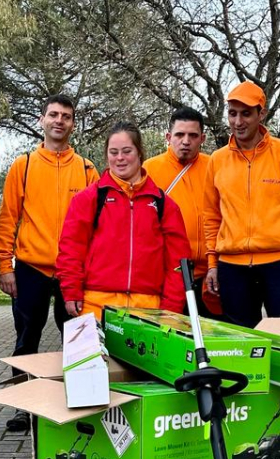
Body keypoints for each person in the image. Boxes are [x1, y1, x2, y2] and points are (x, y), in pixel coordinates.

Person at [0, 93, 99, 432]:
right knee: (27, 340)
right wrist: (5, 266)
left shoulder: (87, 170)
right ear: (42, 119)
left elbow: (99, 225)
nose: (59, 121)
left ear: (73, 124)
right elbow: (7, 219)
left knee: (79, 341)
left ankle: (80, 403)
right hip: (31, 269)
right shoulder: (23, 165)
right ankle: (24, 406)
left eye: (66, 116)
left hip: (73, 271)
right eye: (53, 114)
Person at [203, 81, 280, 328]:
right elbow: (211, 218)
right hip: (232, 267)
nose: (238, 121)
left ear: (261, 113)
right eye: (232, 114)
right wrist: (212, 264)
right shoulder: (217, 160)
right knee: (240, 340)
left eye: (246, 114)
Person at [57, 122, 191, 318]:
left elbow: (177, 262)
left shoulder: (164, 205)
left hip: (148, 310)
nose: (120, 158)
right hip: (95, 306)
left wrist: (171, 307)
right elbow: (71, 249)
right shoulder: (88, 199)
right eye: (113, 152)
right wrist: (71, 290)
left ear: (139, 153)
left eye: (127, 151)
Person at [144, 106, 220, 317]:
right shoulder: (149, 170)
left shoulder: (214, 166)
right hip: (168, 277)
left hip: (209, 275)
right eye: (179, 135)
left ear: (202, 138)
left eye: (193, 136)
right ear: (168, 137)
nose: (186, 141)